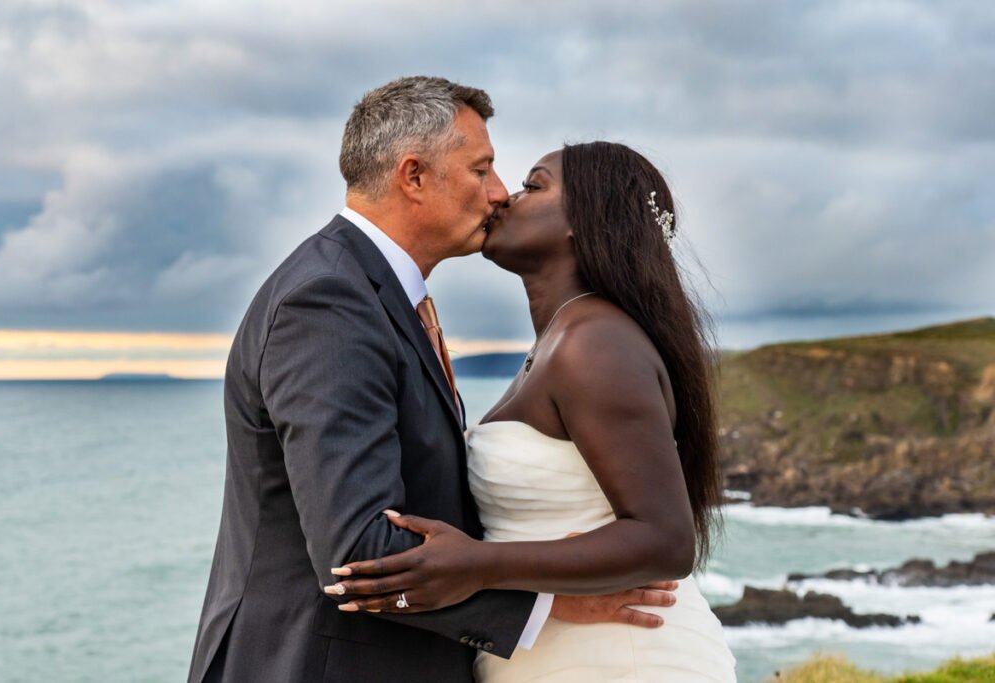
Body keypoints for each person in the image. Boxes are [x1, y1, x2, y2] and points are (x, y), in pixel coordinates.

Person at [187, 79, 680, 683]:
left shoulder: (378, 294)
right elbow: (359, 555)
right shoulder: (329, 301)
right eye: (482, 170)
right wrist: (541, 607)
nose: (499, 194)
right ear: (414, 177)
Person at [328, 141, 737, 681]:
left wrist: (477, 565)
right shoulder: (562, 340)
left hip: (621, 657)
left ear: (583, 222)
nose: (502, 198)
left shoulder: (595, 343)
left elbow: (665, 539)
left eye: (533, 185)